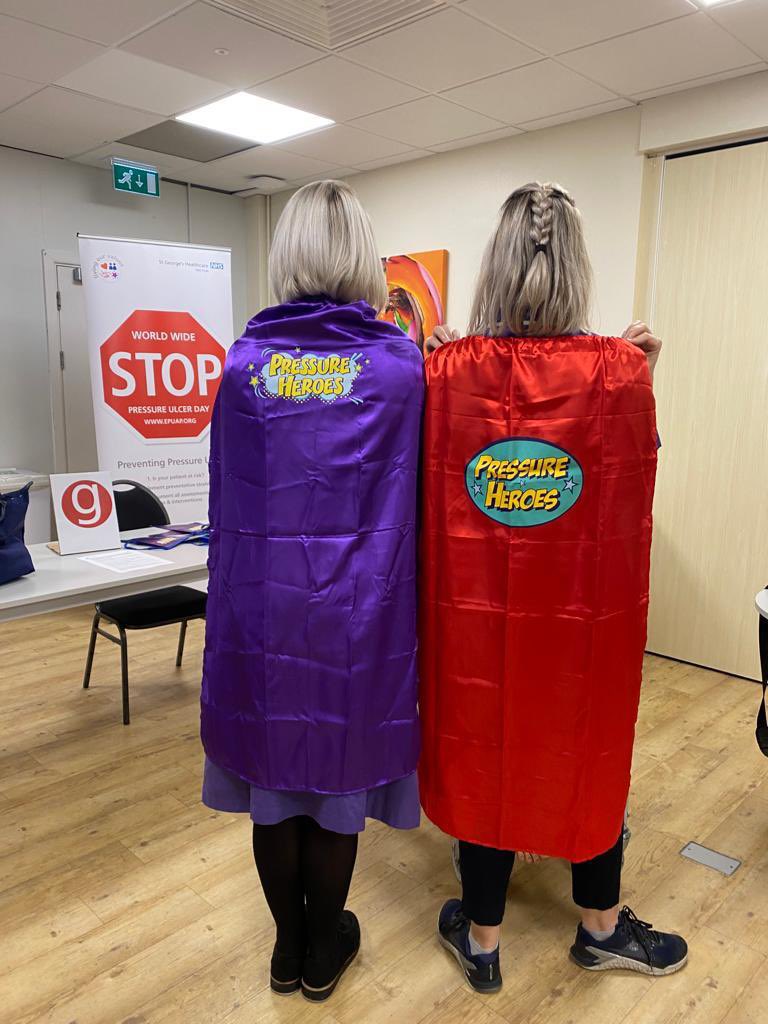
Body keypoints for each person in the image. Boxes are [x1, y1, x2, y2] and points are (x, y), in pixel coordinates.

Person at [419, 182, 686, 993]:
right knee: (589, 751)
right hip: (581, 630)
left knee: (484, 752)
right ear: (575, 267)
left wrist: (445, 362)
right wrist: (643, 374)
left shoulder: (446, 371)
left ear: (496, 265)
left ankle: (486, 939)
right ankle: (601, 928)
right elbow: (635, 474)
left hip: (476, 638)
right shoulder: (618, 370)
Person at [200, 181, 423, 1001]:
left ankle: (287, 947)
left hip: (264, 610)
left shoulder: (242, 368)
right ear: (363, 257)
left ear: (285, 254)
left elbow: (229, 497)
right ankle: (326, 949)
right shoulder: (402, 369)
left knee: (274, 781)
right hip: (358, 617)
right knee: (333, 783)